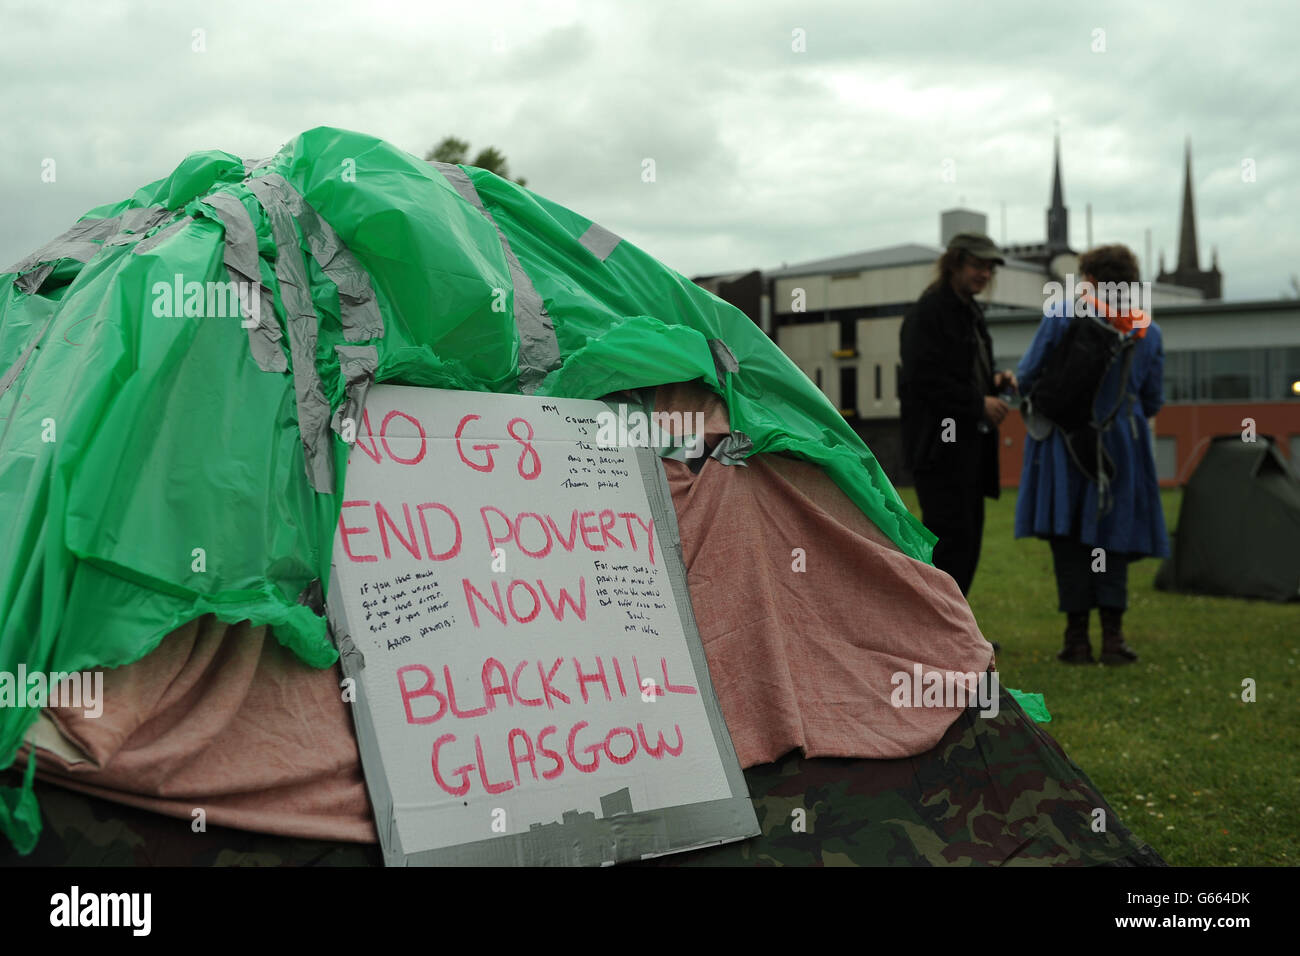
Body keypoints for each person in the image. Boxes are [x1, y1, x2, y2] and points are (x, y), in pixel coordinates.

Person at [1014, 244, 1170, 665]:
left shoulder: (1062, 313)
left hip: (1066, 443)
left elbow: (1027, 376)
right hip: (1122, 443)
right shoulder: (1146, 330)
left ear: (1091, 278)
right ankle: (1114, 639)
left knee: (1068, 538)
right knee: (1113, 538)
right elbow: (1153, 400)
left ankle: (1076, 639)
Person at [900, 233, 1018, 598]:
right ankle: (939, 641)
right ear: (955, 263)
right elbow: (923, 380)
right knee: (948, 547)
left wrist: (993, 382)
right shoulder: (929, 312)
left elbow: (961, 374)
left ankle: (957, 640)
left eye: (989, 267)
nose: (984, 273)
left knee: (967, 546)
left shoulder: (970, 311)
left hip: (971, 451)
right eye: (977, 264)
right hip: (940, 452)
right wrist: (978, 403)